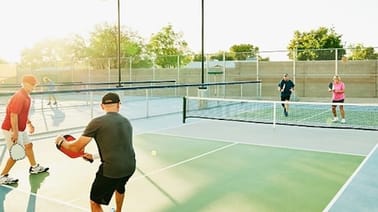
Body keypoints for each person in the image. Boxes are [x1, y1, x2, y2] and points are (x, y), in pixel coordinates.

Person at [55, 92, 136, 212]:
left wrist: (61, 142)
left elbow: (75, 148)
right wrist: (94, 156)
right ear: (119, 105)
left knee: (95, 202)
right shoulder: (126, 122)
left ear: (102, 106)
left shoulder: (97, 122)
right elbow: (120, 147)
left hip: (111, 170)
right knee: (120, 187)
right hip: (130, 167)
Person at [0, 74, 49, 185]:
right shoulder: (19, 96)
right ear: (25, 84)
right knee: (16, 154)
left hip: (20, 128)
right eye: (32, 84)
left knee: (29, 146)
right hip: (11, 129)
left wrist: (29, 124)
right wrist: (15, 133)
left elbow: (21, 113)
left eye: (34, 84)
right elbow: (13, 115)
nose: (34, 86)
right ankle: (3, 176)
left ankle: (34, 167)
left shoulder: (26, 96)